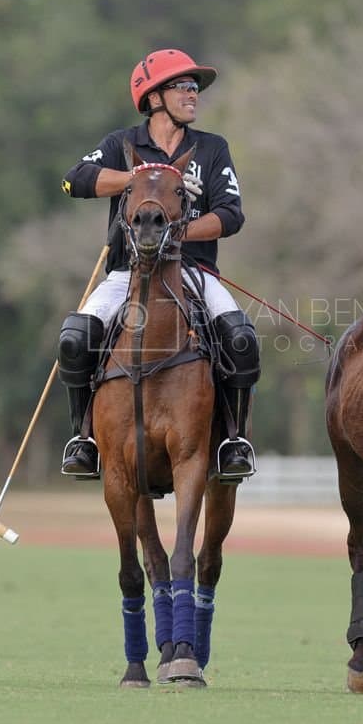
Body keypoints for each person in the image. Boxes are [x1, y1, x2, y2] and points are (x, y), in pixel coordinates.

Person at [57, 48, 259, 482]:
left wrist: (177, 233)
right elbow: (74, 180)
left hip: (193, 272)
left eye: (194, 88)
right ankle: (84, 438)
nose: (193, 94)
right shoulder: (121, 144)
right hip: (128, 273)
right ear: (153, 98)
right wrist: (138, 179)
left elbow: (231, 215)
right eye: (182, 87)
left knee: (240, 337)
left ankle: (232, 439)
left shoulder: (211, 148)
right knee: (76, 336)